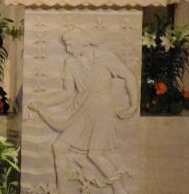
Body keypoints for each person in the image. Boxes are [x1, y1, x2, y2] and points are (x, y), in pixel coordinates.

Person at [27, 28, 139, 194]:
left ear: (82, 42)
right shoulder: (70, 63)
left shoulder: (105, 58)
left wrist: (133, 105)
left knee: (95, 154)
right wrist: (43, 102)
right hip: (81, 112)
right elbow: (67, 93)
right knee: (59, 146)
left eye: (70, 44)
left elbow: (129, 76)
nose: (67, 49)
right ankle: (62, 189)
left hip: (103, 111)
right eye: (65, 45)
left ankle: (119, 188)